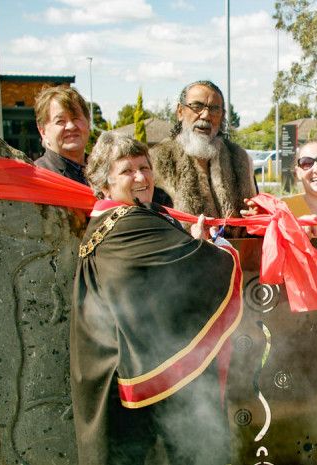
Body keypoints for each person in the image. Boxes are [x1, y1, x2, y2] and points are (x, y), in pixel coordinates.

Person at [71, 132, 240, 465]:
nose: (140, 177)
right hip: (132, 368)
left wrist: (192, 243)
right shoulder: (130, 222)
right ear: (104, 184)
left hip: (123, 363)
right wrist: (215, 247)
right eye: (127, 171)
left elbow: (160, 277)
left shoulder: (116, 220)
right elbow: (202, 265)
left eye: (144, 167)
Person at [32, 85, 173, 206]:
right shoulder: (39, 177)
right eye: (60, 121)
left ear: (88, 122)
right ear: (42, 130)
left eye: (76, 118)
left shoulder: (106, 167)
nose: (71, 126)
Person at [150, 80, 256, 233]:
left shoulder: (240, 160)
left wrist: (256, 216)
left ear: (222, 116)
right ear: (180, 112)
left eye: (214, 109)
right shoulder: (158, 161)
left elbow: (255, 220)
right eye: (197, 106)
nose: (206, 115)